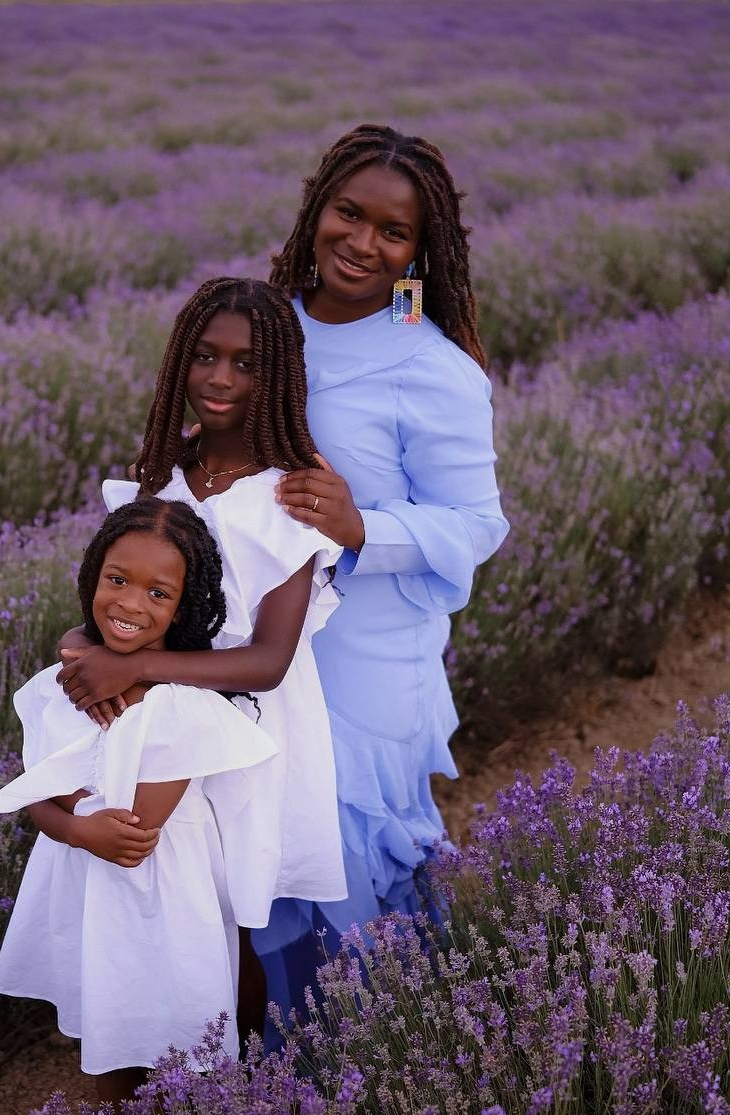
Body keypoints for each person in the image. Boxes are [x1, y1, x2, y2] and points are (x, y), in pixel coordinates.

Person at [255, 123, 509, 1005]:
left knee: (350, 857)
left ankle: (381, 1059)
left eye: (392, 232)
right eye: (347, 214)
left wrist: (363, 525)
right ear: (315, 210)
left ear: (418, 250)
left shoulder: (430, 366)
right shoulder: (265, 324)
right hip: (253, 649)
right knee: (261, 847)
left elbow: (476, 523)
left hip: (363, 659)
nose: (362, 243)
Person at [56, 277, 349, 1035]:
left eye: (247, 364)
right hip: (155, 726)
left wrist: (135, 669)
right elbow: (111, 596)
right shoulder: (160, 478)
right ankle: (143, 1055)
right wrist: (79, 647)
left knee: (229, 905)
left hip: (248, 734)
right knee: (153, 885)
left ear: (277, 376)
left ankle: (234, 1072)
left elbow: (268, 661)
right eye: (206, 357)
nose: (220, 379)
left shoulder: (287, 497)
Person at [0, 498, 279, 1105]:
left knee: (177, 1007)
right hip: (88, 882)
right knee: (109, 1001)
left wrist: (72, 814)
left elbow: (135, 833)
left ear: (184, 605)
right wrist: (72, 827)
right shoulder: (56, 687)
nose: (129, 603)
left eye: (158, 594)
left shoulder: (181, 704)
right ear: (94, 573)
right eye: (117, 580)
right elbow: (39, 794)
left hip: (164, 891)